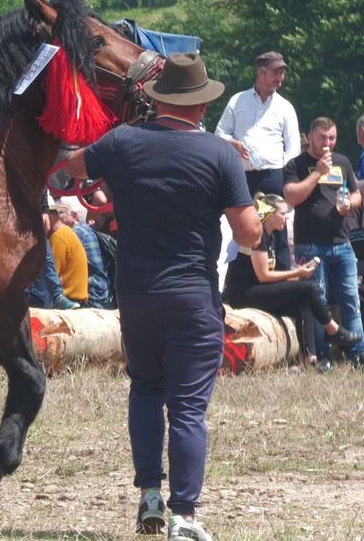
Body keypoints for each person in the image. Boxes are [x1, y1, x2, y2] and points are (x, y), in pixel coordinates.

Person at [63, 52, 262, 540]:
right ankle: (184, 517)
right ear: (200, 106)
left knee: (147, 389)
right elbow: (249, 233)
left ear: (157, 100)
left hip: (136, 292)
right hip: (193, 295)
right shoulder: (220, 154)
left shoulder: (123, 141)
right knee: (189, 409)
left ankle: (150, 496)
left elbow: (71, 167)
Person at [224, 193, 362, 364]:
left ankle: (310, 358)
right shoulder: (258, 235)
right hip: (242, 294)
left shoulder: (271, 235)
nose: (286, 217)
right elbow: (264, 275)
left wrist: (297, 273)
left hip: (256, 289)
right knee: (307, 288)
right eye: (282, 213)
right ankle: (333, 330)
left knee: (303, 303)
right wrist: (297, 273)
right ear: (270, 214)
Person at [283, 117, 364, 371]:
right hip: (310, 244)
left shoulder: (342, 162)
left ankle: (357, 353)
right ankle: (322, 355)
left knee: (350, 298)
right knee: (320, 301)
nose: (327, 143)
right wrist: (317, 172)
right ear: (311, 137)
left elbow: (356, 193)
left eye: (332, 138)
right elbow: (291, 197)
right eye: (322, 138)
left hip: (341, 242)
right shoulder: (297, 164)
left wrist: (350, 204)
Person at [215, 51, 300, 270]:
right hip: (243, 177)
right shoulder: (238, 100)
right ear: (261, 74)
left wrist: (286, 181)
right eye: (276, 72)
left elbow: (293, 149)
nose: (280, 77)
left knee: (275, 228)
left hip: (272, 177)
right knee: (244, 227)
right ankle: (242, 276)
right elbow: (219, 134)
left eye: (282, 72)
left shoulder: (285, 107)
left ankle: (280, 276)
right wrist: (233, 144)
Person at [47, 203, 89, 307]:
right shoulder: (66, 232)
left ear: (50, 216)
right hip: (78, 299)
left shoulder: (58, 238)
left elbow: (52, 274)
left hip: (69, 300)